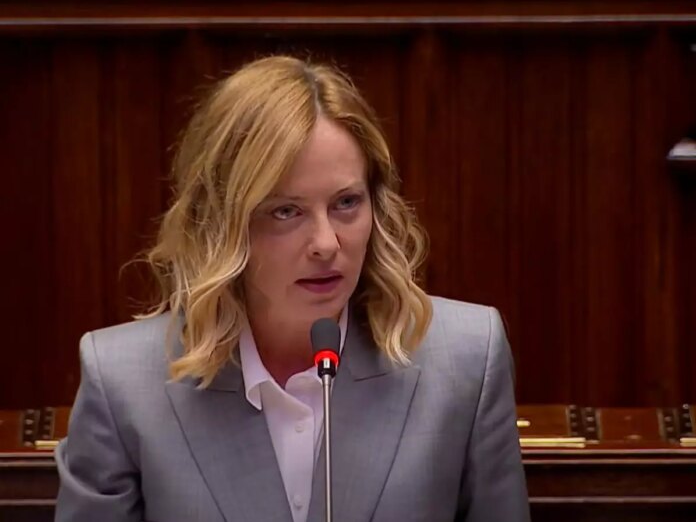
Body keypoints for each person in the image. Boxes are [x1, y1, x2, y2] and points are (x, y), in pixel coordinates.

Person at [54, 55, 530, 522]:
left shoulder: (467, 359)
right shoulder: (123, 385)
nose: (326, 243)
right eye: (286, 211)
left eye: (346, 203)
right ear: (221, 224)